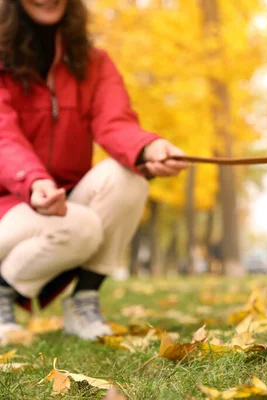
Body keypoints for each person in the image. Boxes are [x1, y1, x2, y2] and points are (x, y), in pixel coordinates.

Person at [0, 0, 189, 340]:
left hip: (65, 198)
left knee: (130, 177)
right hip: (9, 202)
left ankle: (83, 301)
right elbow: (3, 136)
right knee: (80, 223)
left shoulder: (94, 63)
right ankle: (1, 295)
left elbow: (115, 123)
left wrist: (148, 148)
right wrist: (33, 180)